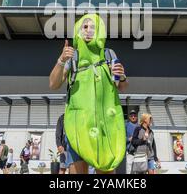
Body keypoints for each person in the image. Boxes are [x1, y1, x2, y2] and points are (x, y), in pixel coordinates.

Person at [48, 14, 129, 174]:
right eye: (85, 27)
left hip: (104, 127)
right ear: (78, 31)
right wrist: (61, 59)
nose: (89, 30)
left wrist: (122, 76)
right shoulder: (73, 58)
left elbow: (122, 86)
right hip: (77, 126)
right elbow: (53, 84)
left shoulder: (109, 55)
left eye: (94, 27)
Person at [125, 110, 139, 174]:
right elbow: (121, 138)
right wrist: (128, 139)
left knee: (138, 169)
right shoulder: (126, 125)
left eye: (134, 116)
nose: (133, 117)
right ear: (129, 117)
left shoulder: (139, 126)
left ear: (137, 117)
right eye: (131, 116)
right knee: (129, 169)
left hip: (139, 152)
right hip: (129, 152)